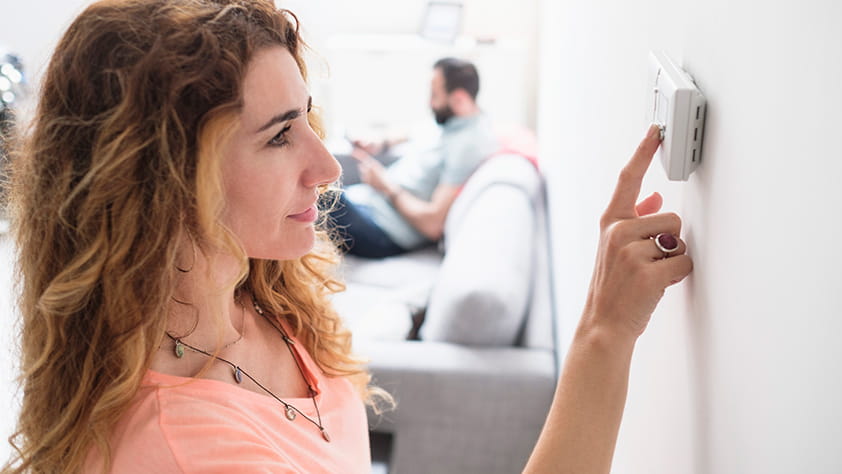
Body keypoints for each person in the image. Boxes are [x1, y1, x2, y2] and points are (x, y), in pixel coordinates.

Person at [3, 1, 692, 473]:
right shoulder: (191, 453)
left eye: (306, 119)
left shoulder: (254, 287)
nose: (326, 165)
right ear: (165, 179)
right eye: (279, 135)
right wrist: (605, 330)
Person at [329, 57, 499, 258]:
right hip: (368, 201)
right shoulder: (450, 120)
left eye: (435, 95)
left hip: (385, 231)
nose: (430, 102)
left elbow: (434, 224)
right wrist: (379, 143)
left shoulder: (468, 147)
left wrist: (386, 187)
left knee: (318, 192)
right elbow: (414, 132)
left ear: (459, 99)